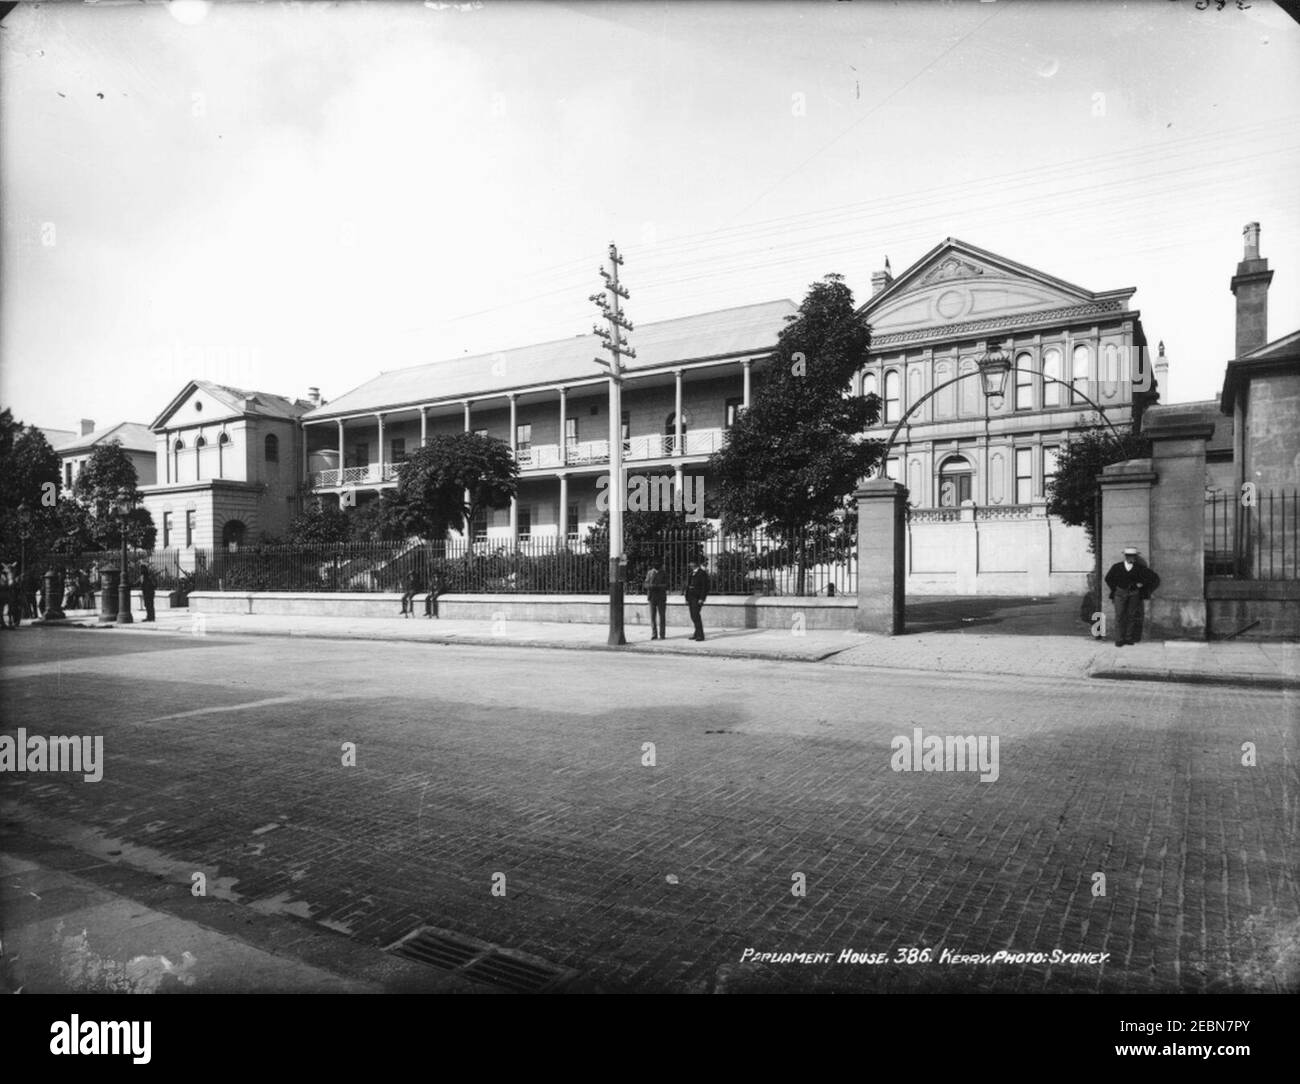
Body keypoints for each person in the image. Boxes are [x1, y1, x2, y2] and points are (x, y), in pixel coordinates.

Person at [1104, 546, 1160, 647]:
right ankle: (1119, 639)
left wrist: (1142, 584)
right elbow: (1108, 578)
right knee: (1119, 616)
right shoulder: (1117, 567)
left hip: (1134, 594)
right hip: (1119, 594)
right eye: (1129, 556)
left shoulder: (1139, 568)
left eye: (1133, 556)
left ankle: (1128, 638)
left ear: (1135, 557)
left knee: (1131, 616)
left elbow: (1153, 577)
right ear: (1125, 556)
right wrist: (1115, 589)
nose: (1131, 558)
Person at [685, 557, 710, 642]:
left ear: (696, 564)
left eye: (691, 563)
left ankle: (700, 635)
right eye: (690, 563)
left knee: (696, 616)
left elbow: (704, 587)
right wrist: (686, 598)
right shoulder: (691, 573)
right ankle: (696, 633)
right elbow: (688, 586)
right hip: (691, 597)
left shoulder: (702, 573)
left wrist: (702, 598)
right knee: (693, 616)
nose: (690, 565)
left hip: (697, 598)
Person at [645, 560, 667, 640]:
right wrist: (650, 586)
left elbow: (666, 584)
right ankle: (654, 634)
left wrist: (658, 586)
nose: (656, 566)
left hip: (661, 597)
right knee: (652, 617)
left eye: (658, 565)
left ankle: (662, 634)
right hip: (652, 596)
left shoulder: (663, 573)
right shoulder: (650, 573)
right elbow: (646, 584)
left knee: (662, 616)